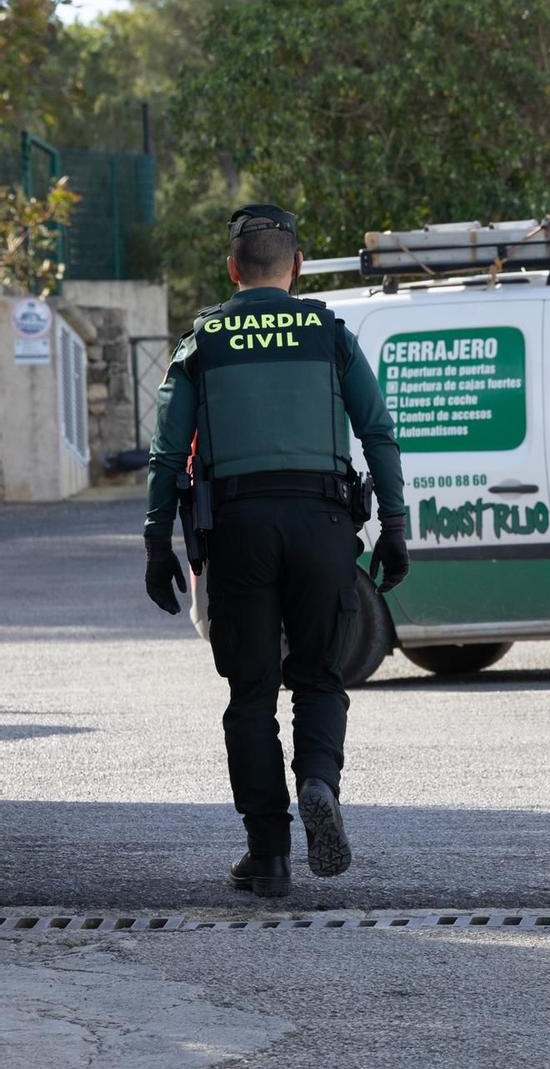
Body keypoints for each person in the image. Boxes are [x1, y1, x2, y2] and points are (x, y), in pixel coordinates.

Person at [143, 205, 409, 898]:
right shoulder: (329, 333)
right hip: (322, 526)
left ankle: (269, 855)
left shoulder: (205, 339)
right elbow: (378, 432)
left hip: (238, 533)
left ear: (233, 270)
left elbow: (169, 451)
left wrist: (155, 540)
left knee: (251, 694)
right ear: (295, 266)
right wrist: (398, 526)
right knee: (320, 676)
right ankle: (319, 779)